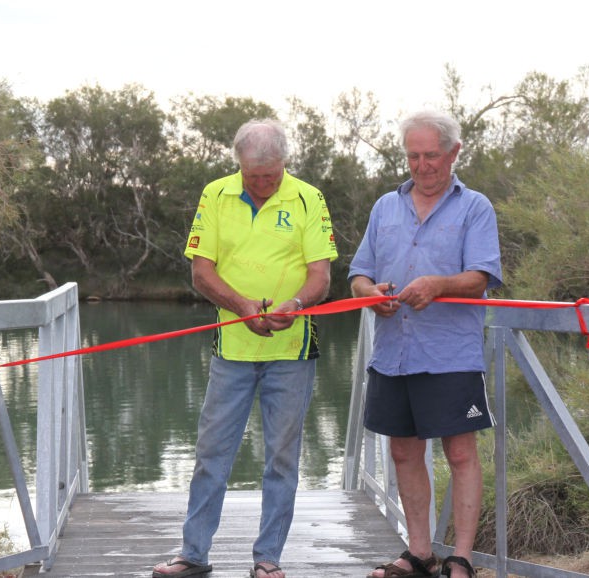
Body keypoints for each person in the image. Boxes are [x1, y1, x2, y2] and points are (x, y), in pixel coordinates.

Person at [153, 119, 338, 578]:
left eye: (270, 176)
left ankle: (267, 560)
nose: (262, 184)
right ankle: (193, 555)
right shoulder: (215, 195)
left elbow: (321, 276)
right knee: (211, 455)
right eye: (254, 176)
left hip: (292, 349)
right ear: (238, 164)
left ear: (284, 163)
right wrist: (241, 306)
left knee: (282, 458)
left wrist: (295, 304)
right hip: (231, 349)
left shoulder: (308, 198)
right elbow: (201, 272)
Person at [348, 110, 502, 578]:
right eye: (413, 155)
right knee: (403, 452)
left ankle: (462, 557)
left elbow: (480, 279)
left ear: (454, 153)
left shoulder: (475, 207)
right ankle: (419, 553)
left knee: (460, 454)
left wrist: (437, 285)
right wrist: (370, 296)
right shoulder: (383, 207)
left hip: (450, 353)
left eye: (431, 155)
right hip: (393, 355)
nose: (422, 165)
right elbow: (359, 275)